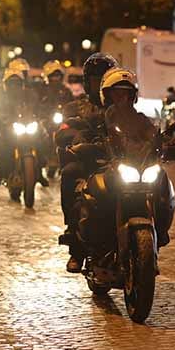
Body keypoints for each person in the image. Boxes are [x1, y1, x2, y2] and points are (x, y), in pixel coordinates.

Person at [57, 52, 118, 271]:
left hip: (118, 164)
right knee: (70, 173)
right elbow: (64, 131)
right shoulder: (76, 108)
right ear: (87, 81)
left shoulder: (123, 108)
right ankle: (75, 243)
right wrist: (76, 140)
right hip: (88, 162)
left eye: (106, 78)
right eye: (96, 79)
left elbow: (142, 128)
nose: (101, 84)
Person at [0, 58, 34, 185]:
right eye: (11, 82)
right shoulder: (0, 92)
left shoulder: (29, 92)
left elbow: (37, 107)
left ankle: (40, 168)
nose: (15, 84)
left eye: (17, 81)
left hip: (25, 125)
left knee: (40, 137)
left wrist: (39, 117)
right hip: (7, 125)